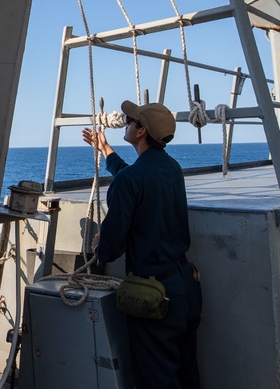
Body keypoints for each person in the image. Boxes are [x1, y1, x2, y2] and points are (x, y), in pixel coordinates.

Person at [82, 101, 202, 389]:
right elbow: (135, 178)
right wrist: (105, 149)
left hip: (155, 295)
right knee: (187, 374)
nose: (126, 123)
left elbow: (110, 249)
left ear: (141, 132)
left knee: (156, 379)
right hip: (186, 287)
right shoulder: (172, 168)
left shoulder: (130, 180)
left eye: (131, 121)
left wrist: (101, 242)